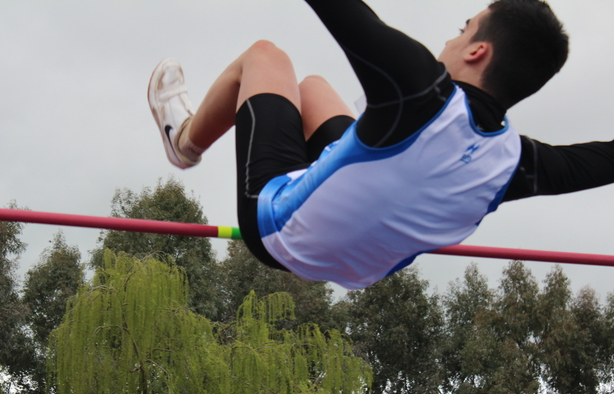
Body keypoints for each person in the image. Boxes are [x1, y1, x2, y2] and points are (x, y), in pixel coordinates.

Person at [148, 0, 614, 290]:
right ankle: (350, 153)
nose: (451, 39)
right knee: (311, 88)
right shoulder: (518, 163)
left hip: (276, 231)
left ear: (478, 52)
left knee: (266, 56)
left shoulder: (421, 89)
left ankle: (184, 141)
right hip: (356, 268)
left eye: (463, 28)